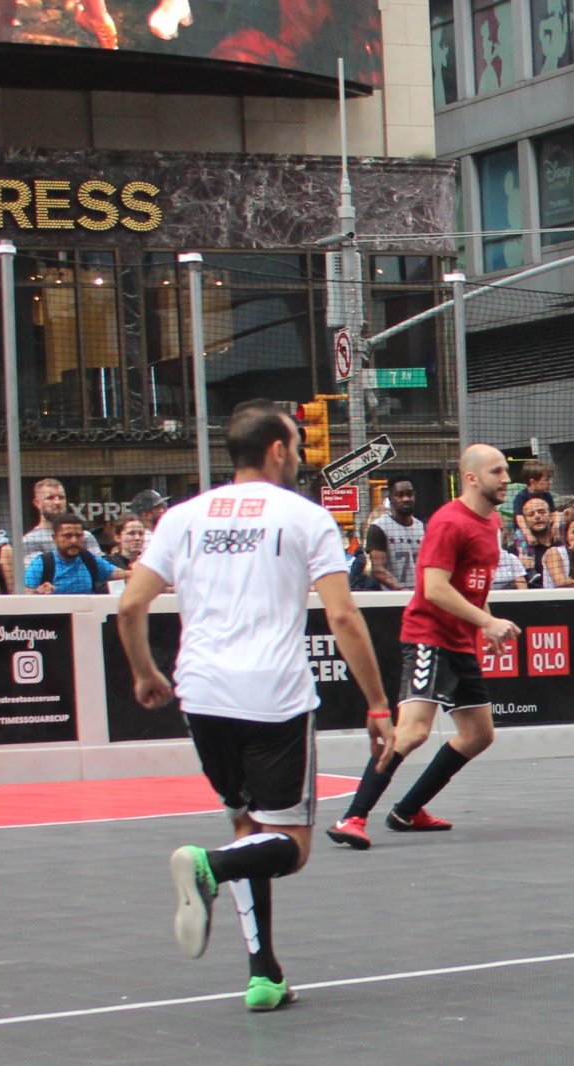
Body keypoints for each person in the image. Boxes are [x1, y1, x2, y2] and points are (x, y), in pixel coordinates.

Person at [118, 401, 395, 1013]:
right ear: (276, 450)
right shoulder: (304, 517)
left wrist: (145, 673)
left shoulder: (182, 518)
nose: (299, 456)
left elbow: (131, 606)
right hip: (273, 697)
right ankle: (206, 868)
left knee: (248, 827)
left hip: (202, 695)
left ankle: (263, 972)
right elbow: (343, 615)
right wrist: (377, 703)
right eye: (296, 445)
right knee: (289, 846)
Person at [330, 445, 523, 848]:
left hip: (460, 640)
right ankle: (353, 816)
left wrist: (483, 625)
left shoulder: (489, 524)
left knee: (478, 735)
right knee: (413, 731)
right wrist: (487, 621)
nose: (506, 478)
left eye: (506, 471)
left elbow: (473, 585)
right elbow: (433, 589)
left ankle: (407, 810)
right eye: (497, 471)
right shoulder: (449, 522)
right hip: (428, 638)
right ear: (471, 478)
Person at [25, 513, 126, 594]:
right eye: (67, 536)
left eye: (78, 536)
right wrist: (37, 592)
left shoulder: (89, 559)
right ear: (54, 538)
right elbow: (24, 592)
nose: (73, 540)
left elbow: (124, 574)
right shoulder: (42, 563)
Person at [18, 477, 102, 570]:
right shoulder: (30, 540)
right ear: (37, 503)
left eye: (61, 498)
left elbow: (100, 568)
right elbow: (37, 572)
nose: (57, 502)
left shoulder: (85, 536)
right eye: (50, 498)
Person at [366, 479, 424, 589]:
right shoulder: (378, 528)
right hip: (392, 599)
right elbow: (378, 569)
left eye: (409, 494)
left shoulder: (422, 527)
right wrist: (401, 590)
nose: (406, 499)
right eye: (400, 495)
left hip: (420, 596)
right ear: (390, 498)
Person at [507, 491, 556, 585]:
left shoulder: (561, 546)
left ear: (551, 516)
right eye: (531, 514)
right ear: (524, 520)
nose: (537, 516)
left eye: (542, 512)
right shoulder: (514, 552)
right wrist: (518, 568)